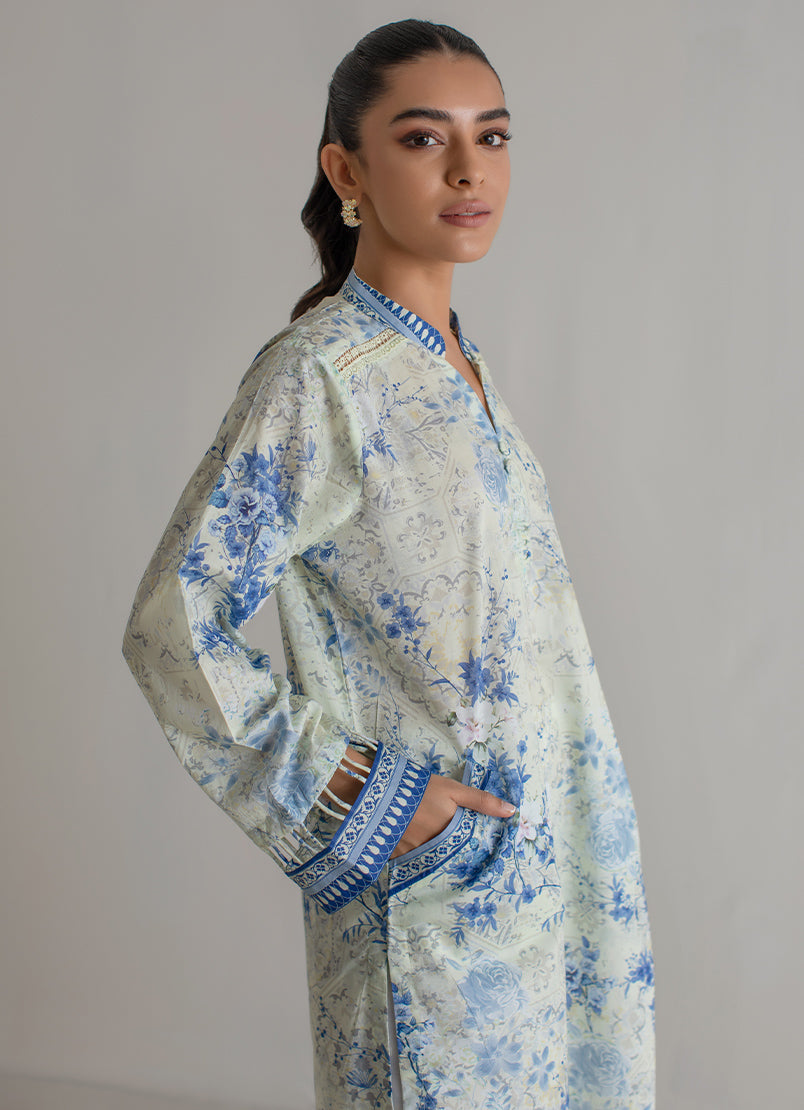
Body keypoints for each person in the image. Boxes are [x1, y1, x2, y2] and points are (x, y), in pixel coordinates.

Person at [123, 18, 655, 1110]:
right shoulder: (324, 375)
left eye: (492, 136)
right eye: (423, 139)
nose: (469, 170)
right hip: (431, 895)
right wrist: (361, 791)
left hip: (553, 872)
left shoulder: (464, 369)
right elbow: (174, 624)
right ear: (346, 170)